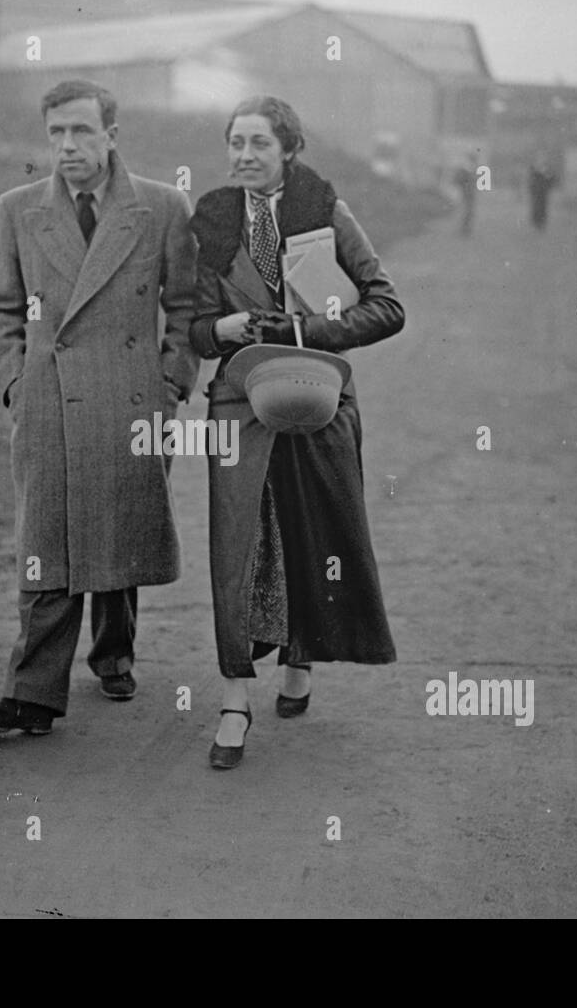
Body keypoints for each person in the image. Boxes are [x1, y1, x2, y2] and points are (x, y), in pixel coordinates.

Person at [0, 79, 199, 736]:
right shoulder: (18, 209)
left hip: (132, 400)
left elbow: (187, 306)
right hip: (49, 402)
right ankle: (32, 693)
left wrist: (171, 383)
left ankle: (114, 653)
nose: (67, 146)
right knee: (48, 539)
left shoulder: (162, 207)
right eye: (56, 133)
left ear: (111, 136)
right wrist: (16, 383)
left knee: (121, 528)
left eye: (81, 132)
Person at [188, 95, 403, 769]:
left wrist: (307, 329)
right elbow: (193, 324)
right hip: (237, 398)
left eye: (258, 143)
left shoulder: (325, 210)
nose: (244, 155)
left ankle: (301, 653)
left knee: (313, 528)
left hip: (318, 394)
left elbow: (387, 305)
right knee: (236, 540)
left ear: (289, 150)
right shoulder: (213, 220)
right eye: (235, 143)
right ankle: (232, 698)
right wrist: (219, 331)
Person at [527, 151, 557, 231]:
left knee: (541, 207)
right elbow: (532, 181)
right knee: (537, 207)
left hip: (542, 192)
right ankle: (538, 223)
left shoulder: (544, 170)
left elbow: (551, 179)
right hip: (538, 192)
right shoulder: (535, 171)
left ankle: (540, 223)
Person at [452, 152, 479, 237]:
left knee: (469, 212)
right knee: (468, 211)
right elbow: (458, 181)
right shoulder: (466, 169)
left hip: (469, 193)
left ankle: (466, 230)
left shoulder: (470, 169)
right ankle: (465, 230)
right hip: (467, 193)